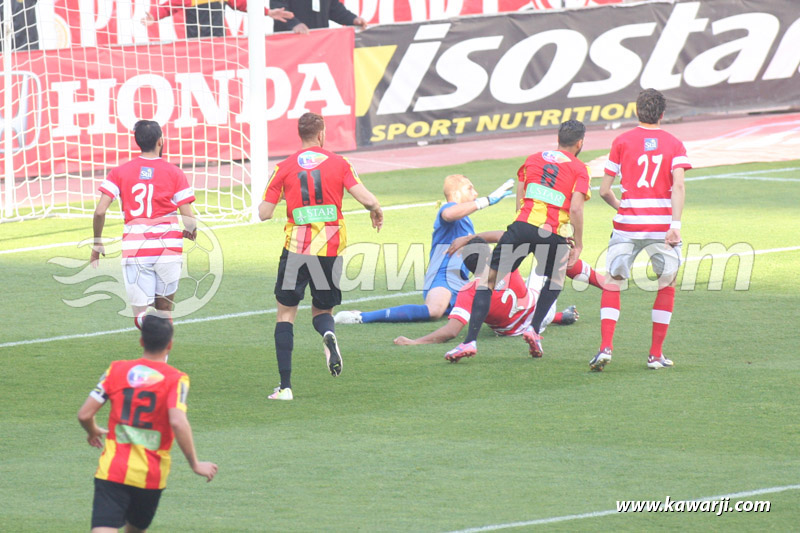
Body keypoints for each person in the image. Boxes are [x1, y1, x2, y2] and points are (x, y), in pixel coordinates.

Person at [259, 112, 383, 400]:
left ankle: (286, 387)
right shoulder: (340, 163)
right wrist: (375, 210)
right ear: (322, 133)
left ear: (300, 135)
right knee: (322, 311)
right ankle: (328, 335)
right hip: (329, 249)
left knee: (285, 315)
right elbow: (367, 198)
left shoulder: (284, 167)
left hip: (296, 250)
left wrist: (286, 199)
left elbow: (264, 213)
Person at [444, 120, 591, 362]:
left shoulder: (532, 159)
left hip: (523, 226)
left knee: (487, 281)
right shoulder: (579, 169)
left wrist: (522, 224)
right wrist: (578, 241)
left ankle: (469, 342)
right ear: (580, 143)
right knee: (555, 278)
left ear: (558, 138)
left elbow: (520, 196)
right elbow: (575, 208)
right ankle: (533, 329)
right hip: (553, 233)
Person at [77, 314, 217, 532]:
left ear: (141, 341)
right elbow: (178, 422)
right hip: (151, 476)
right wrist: (195, 464)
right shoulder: (176, 379)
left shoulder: (116, 370)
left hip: (113, 469)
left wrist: (92, 430)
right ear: (170, 345)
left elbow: (85, 414)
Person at [589, 88, 691, 371]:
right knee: (666, 283)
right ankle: (655, 354)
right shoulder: (674, 144)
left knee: (613, 282)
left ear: (637, 112)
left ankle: (605, 347)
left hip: (627, 225)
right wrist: (675, 225)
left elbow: (604, 190)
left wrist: (625, 209)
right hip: (662, 227)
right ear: (662, 114)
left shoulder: (621, 141)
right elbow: (679, 185)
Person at [333, 174, 514, 325]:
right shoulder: (450, 208)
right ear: (456, 192)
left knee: (497, 305)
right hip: (442, 276)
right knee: (434, 311)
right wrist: (487, 201)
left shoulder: (466, 221)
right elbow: (448, 214)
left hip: (461, 281)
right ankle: (361, 317)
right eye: (469, 188)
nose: (475, 192)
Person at [91, 120, 198, 329]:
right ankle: (162, 359)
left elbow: (100, 211)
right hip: (168, 248)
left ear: (137, 142)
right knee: (164, 310)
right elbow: (189, 218)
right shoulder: (175, 172)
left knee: (142, 314)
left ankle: (144, 323)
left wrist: (97, 241)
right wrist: (191, 230)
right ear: (161, 141)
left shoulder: (119, 172)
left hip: (136, 248)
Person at [393, 237, 578, 350]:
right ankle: (599, 282)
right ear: (490, 256)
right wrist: (471, 237)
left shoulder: (468, 291)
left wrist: (415, 342)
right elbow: (511, 234)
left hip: (513, 332)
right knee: (547, 261)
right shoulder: (506, 263)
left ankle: (559, 316)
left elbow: (451, 331)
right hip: (540, 318)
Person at [144, 0, 294, 39]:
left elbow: (242, 4)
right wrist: (154, 16)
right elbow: (169, 6)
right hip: (196, 42)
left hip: (219, 41)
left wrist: (268, 12)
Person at [269, 0, 367, 34]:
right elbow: (278, 9)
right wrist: (294, 24)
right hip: (291, 43)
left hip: (318, 44)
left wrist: (352, 19)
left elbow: (333, 7)